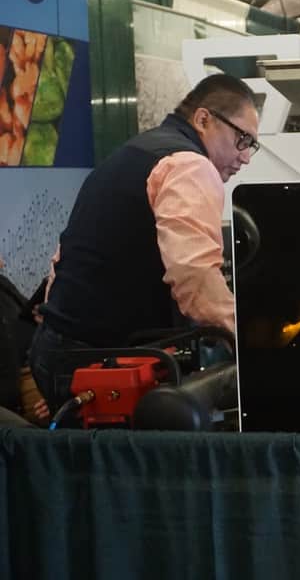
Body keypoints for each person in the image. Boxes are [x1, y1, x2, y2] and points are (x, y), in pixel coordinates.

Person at [29, 74, 259, 409]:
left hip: (56, 348)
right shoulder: (189, 166)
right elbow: (195, 277)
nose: (245, 157)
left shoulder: (134, 152)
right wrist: (251, 343)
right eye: (242, 139)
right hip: (100, 361)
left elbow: (66, 254)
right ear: (204, 119)